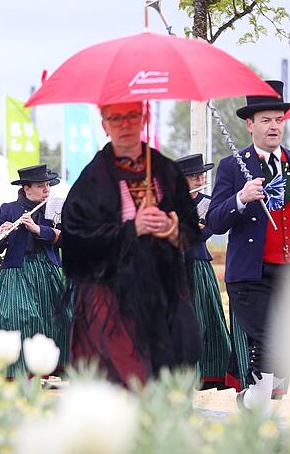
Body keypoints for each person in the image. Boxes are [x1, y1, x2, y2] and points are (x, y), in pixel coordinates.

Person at [61, 101, 200, 386]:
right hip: (110, 294)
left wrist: (172, 229)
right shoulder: (92, 179)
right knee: (127, 378)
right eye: (116, 118)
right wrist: (131, 229)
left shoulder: (165, 170)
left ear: (144, 118)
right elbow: (74, 237)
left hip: (161, 290)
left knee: (166, 374)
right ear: (104, 125)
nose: (125, 125)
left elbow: (190, 228)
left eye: (133, 116)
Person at [207, 80, 290, 409]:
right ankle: (256, 405)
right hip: (250, 275)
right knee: (268, 338)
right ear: (249, 124)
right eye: (266, 120)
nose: (274, 126)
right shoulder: (234, 166)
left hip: (289, 272)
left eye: (278, 120)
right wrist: (240, 199)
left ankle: (251, 401)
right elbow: (214, 221)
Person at [0, 165, 67, 377]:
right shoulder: (8, 209)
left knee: (56, 318)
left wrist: (38, 229)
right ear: (26, 188)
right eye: (41, 186)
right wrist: (2, 233)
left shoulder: (55, 208)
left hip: (48, 270)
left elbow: (67, 238)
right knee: (18, 317)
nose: (47, 190)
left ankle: (54, 368)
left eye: (48, 185)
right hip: (17, 271)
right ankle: (19, 372)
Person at [175, 154, 231, 389]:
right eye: (194, 176)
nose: (200, 180)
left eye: (201, 175)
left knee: (203, 318)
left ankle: (207, 372)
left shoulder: (208, 203)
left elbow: (204, 233)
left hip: (197, 265)